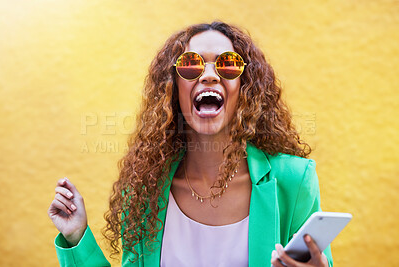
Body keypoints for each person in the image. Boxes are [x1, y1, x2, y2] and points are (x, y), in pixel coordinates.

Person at [48, 21, 333, 267]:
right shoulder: (146, 189)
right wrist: (77, 237)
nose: (208, 75)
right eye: (191, 64)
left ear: (246, 89)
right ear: (173, 88)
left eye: (228, 64)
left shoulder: (293, 182)